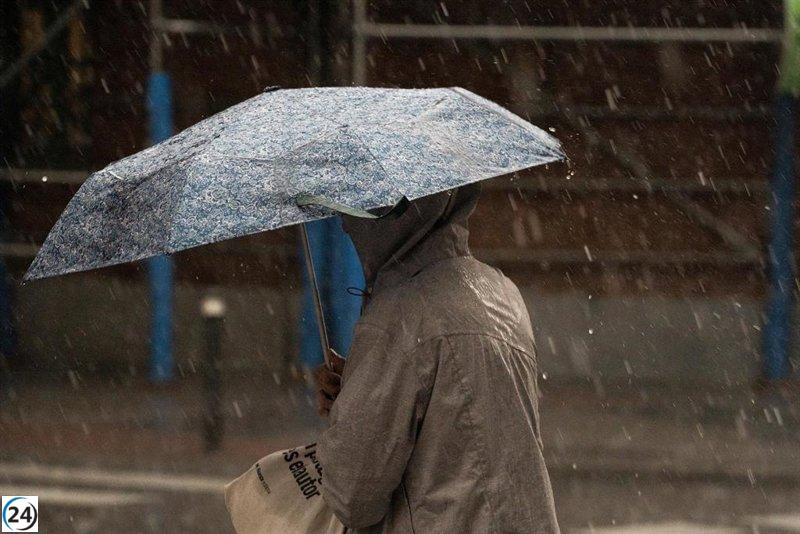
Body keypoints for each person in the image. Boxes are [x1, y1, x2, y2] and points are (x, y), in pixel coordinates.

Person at [315, 184, 560, 533]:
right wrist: (361, 386)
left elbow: (352, 495)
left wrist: (350, 415)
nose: (344, 224)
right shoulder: (501, 290)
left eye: (356, 207)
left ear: (389, 214)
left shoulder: (399, 315)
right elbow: (461, 423)